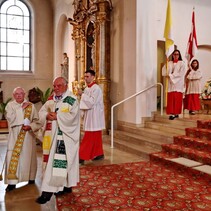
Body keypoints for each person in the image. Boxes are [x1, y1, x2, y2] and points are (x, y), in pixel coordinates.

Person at [36, 77, 80, 204]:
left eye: (58, 86)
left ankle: (57, 189)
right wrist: (46, 115)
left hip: (65, 138)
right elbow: (42, 111)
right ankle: (51, 191)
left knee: (60, 164)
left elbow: (73, 117)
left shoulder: (72, 100)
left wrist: (58, 116)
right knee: (51, 165)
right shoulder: (51, 99)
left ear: (66, 86)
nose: (55, 88)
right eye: (54, 86)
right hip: (51, 138)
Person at [4, 87, 39, 192]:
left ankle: (31, 177)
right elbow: (11, 119)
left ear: (24, 94)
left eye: (21, 93)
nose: (19, 95)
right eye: (16, 94)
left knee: (29, 157)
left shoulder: (31, 106)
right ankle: (12, 183)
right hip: (15, 136)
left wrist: (31, 126)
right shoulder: (10, 106)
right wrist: (21, 109)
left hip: (28, 136)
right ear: (13, 95)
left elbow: (37, 121)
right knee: (12, 158)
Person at [77, 69, 105, 164]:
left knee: (89, 137)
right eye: (85, 76)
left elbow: (92, 102)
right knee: (95, 137)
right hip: (90, 116)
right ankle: (98, 154)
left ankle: (81, 156)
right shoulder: (87, 88)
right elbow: (85, 102)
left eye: (87, 76)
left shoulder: (96, 88)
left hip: (95, 116)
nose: (85, 78)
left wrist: (82, 95)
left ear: (93, 77)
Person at [162, 49, 186, 120]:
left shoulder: (182, 63)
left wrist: (171, 75)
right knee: (171, 99)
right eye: (174, 54)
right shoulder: (169, 63)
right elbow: (164, 72)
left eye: (177, 54)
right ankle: (172, 113)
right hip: (170, 84)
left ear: (179, 55)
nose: (176, 56)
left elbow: (181, 74)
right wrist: (166, 71)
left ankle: (176, 113)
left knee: (177, 99)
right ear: (172, 55)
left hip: (178, 84)